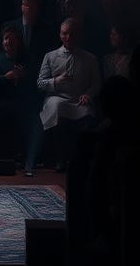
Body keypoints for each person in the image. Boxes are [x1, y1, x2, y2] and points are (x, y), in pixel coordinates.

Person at [37, 17, 100, 172]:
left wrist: (88, 94)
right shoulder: (50, 56)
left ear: (78, 35)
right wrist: (56, 80)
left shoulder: (90, 58)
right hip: (57, 97)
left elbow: (96, 84)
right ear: (60, 34)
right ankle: (60, 159)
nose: (68, 37)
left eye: (72, 34)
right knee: (56, 107)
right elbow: (40, 83)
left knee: (86, 113)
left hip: (78, 98)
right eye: (65, 33)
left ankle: (79, 159)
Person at [0, 25, 43, 176]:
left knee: (36, 121)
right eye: (6, 38)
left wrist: (24, 77)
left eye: (12, 38)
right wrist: (6, 77)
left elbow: (36, 83)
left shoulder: (27, 60)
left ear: (18, 41)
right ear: (2, 41)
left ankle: (30, 163)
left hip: (24, 102)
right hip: (2, 103)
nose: (9, 41)